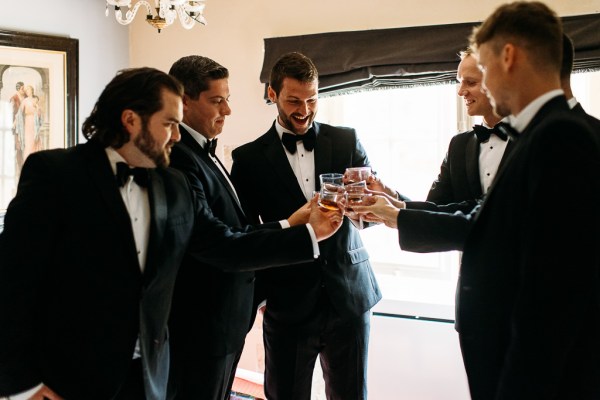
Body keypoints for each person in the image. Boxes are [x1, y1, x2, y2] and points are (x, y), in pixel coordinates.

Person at [0, 67, 343, 400]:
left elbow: (223, 245)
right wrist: (22, 382)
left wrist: (309, 234)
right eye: (169, 124)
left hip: (152, 374)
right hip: (69, 376)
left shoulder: (174, 183)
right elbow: (13, 283)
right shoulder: (55, 174)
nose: (178, 137)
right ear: (130, 120)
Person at [357, 2, 600, 399]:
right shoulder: (540, 134)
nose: (480, 86)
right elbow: (483, 215)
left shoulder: (560, 138)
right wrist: (396, 208)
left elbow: (553, 293)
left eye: (483, 71)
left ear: (508, 57)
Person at [230, 51, 381, 400]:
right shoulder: (248, 159)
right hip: (287, 302)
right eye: (294, 100)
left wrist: (362, 205)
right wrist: (264, 295)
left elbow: (369, 214)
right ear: (272, 94)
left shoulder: (347, 140)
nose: (304, 110)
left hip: (349, 298)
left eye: (312, 99)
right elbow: (244, 237)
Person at [166, 55, 311, 400]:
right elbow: (218, 242)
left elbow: (239, 227)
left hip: (227, 321)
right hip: (202, 325)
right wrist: (302, 231)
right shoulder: (179, 158)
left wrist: (289, 223)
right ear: (184, 101)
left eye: (227, 99)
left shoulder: (206, 151)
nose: (228, 110)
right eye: (218, 100)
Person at [426, 48, 511, 205]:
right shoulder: (458, 145)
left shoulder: (535, 137)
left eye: (470, 82)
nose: (460, 92)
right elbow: (435, 208)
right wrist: (394, 200)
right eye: (460, 82)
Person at [15, 85, 42, 162]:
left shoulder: (35, 100)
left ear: (32, 91)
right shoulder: (25, 101)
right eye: (26, 91)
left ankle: (35, 161)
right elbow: (20, 113)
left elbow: (39, 114)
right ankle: (28, 161)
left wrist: (37, 108)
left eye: (29, 90)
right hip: (28, 122)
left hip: (35, 123)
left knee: (35, 141)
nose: (28, 91)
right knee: (29, 142)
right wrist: (16, 122)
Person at [9, 81, 25, 173]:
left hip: (24, 126)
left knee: (23, 147)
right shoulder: (13, 98)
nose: (24, 90)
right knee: (17, 147)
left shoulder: (25, 98)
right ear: (18, 89)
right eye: (22, 88)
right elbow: (11, 112)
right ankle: (18, 169)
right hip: (16, 126)